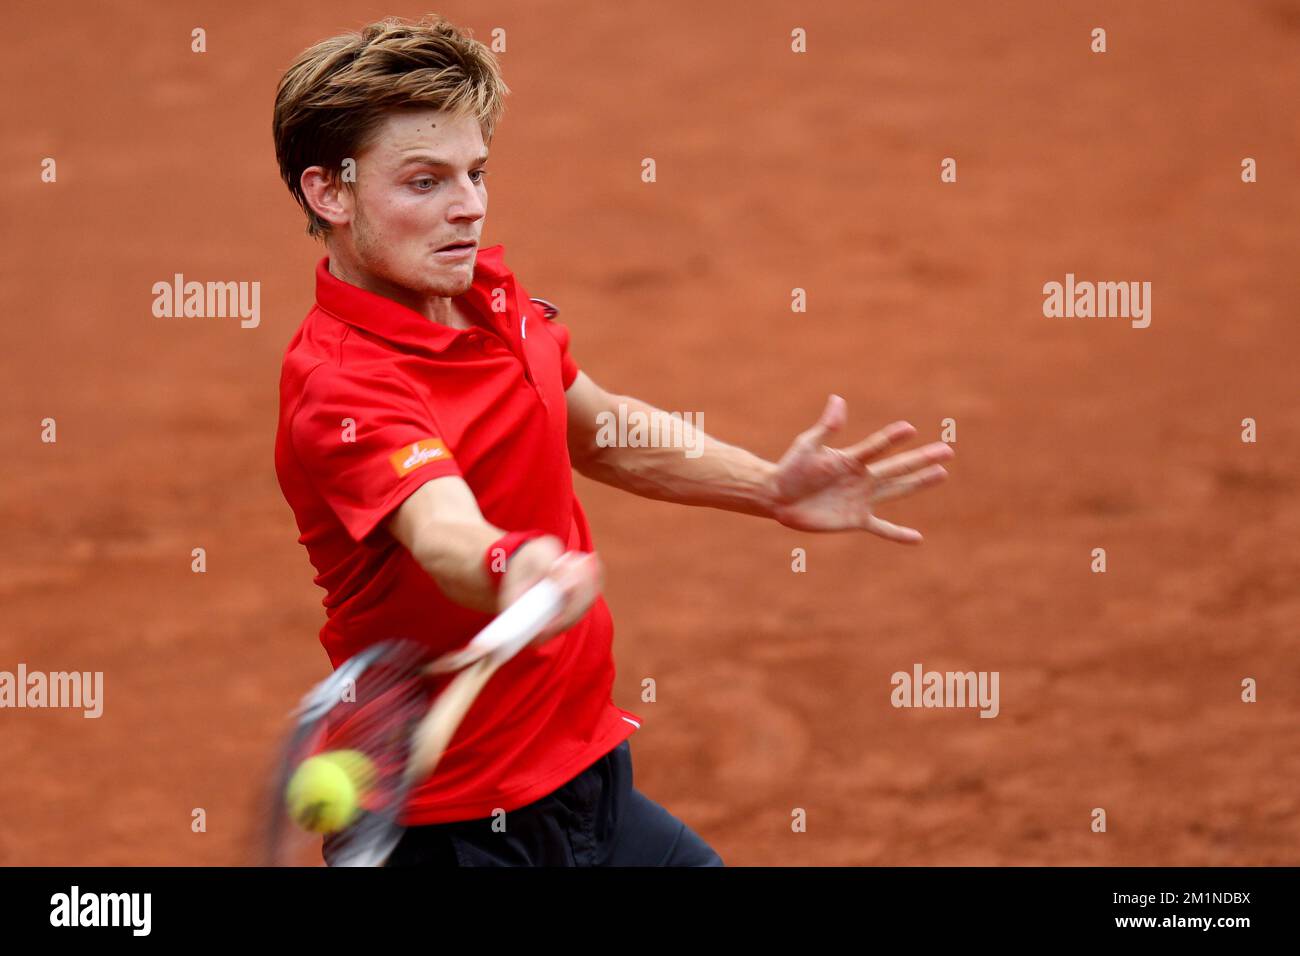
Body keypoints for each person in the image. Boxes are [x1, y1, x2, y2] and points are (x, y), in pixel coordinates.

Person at [271, 15, 953, 867]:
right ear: (328, 193)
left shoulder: (483, 293)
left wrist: (768, 488)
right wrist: (510, 566)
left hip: (586, 774)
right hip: (454, 827)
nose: (469, 205)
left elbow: (599, 429)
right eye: (423, 182)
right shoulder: (343, 386)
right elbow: (441, 528)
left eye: (475, 172)